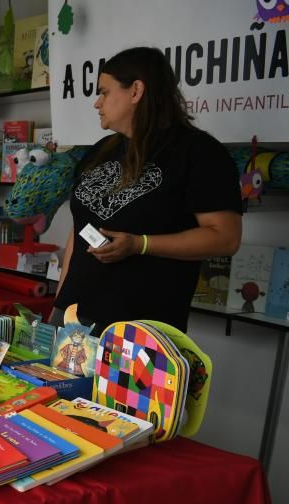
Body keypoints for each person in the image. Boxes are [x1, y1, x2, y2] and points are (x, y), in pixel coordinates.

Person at [53, 46, 242, 334]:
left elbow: (225, 238)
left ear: (136, 91)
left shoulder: (198, 152)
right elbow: (79, 229)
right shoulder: (101, 151)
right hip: (74, 322)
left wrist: (140, 244)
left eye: (104, 92)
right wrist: (59, 305)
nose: (96, 103)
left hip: (142, 332)